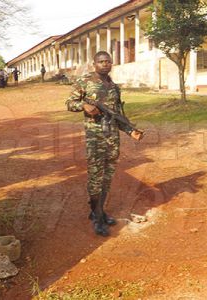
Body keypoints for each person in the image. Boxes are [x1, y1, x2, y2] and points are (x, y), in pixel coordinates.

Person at [65, 51, 143, 237]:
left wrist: (130, 130)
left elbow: (117, 114)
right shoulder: (84, 82)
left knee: (107, 177)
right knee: (95, 177)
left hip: (112, 138)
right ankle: (97, 217)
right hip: (95, 138)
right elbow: (69, 103)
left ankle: (99, 211)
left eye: (108, 61)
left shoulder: (114, 87)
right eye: (101, 62)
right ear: (94, 64)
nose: (105, 64)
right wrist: (84, 106)